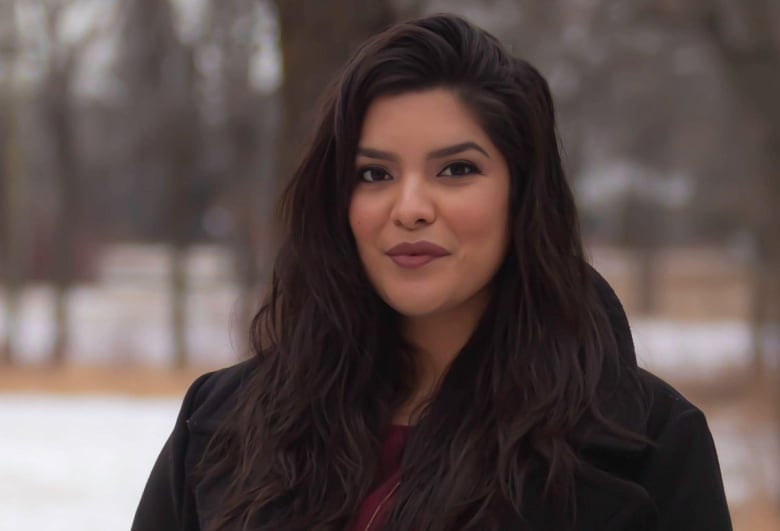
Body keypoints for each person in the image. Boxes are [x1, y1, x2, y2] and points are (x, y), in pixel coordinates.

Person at [132, 14, 732, 531]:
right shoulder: (224, 423)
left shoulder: (647, 445)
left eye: (456, 170)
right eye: (375, 174)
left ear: (521, 196)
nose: (411, 207)